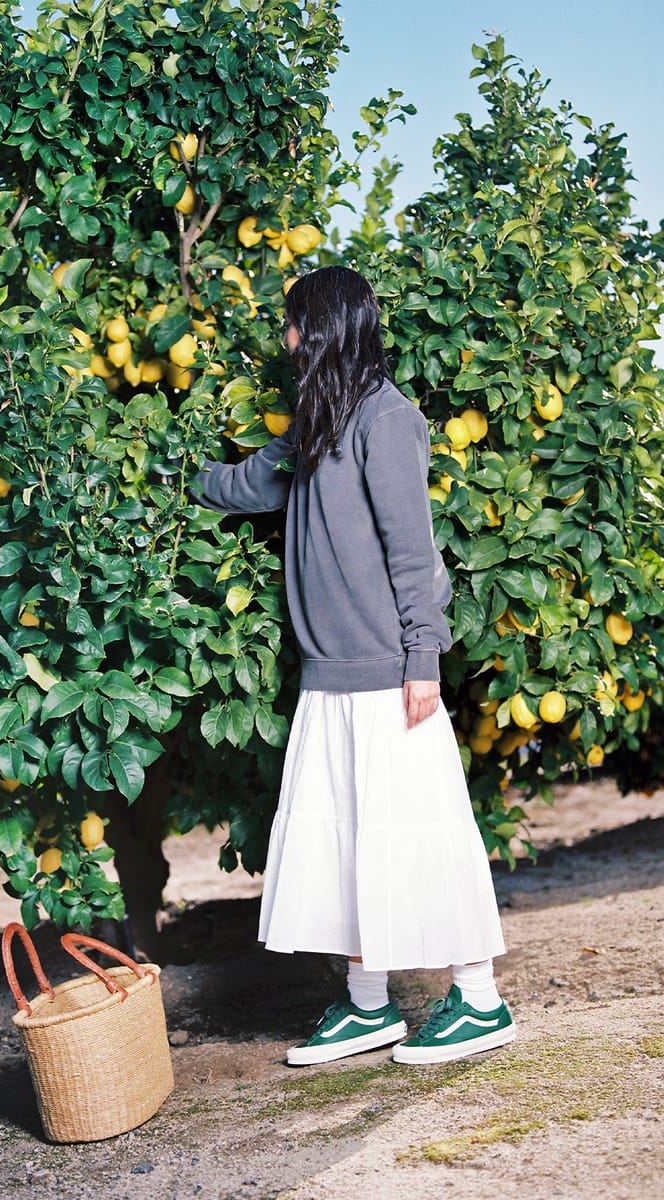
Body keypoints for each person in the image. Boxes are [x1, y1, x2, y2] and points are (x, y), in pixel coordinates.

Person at [192, 265, 514, 1067]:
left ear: (325, 328)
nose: (286, 338)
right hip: (329, 676)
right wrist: (169, 479)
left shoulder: (387, 417)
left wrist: (421, 656)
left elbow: (413, 550)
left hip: (387, 674)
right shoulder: (317, 421)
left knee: (422, 835)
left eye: (294, 323)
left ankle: (480, 1000)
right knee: (350, 846)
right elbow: (246, 485)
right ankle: (368, 1005)